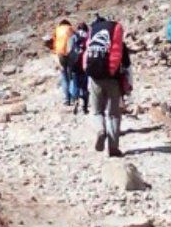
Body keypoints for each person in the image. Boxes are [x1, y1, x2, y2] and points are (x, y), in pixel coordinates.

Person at [82, 14, 130, 157]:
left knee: (97, 111)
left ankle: (100, 130)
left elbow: (86, 54)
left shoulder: (93, 30)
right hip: (113, 78)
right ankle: (113, 148)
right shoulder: (116, 33)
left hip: (95, 77)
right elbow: (126, 63)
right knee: (114, 115)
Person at [51, 19, 76, 106]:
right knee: (71, 76)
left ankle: (66, 100)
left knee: (64, 76)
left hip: (60, 54)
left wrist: (55, 53)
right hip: (70, 54)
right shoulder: (71, 28)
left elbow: (54, 43)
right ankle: (73, 98)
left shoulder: (57, 30)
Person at [67, 22, 90, 114]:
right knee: (84, 86)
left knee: (75, 84)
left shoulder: (73, 37)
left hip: (74, 66)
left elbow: (69, 51)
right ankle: (85, 107)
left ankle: (75, 100)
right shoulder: (87, 37)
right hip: (84, 65)